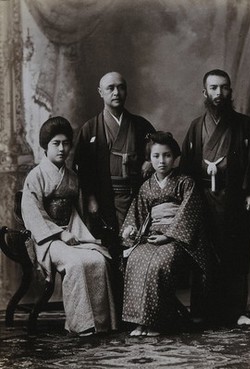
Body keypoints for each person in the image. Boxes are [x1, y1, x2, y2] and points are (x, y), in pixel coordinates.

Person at [179, 69, 250, 326]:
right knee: (203, 253)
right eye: (214, 88)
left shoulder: (243, 124)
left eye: (224, 87)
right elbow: (186, 167)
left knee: (236, 254)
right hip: (203, 198)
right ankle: (202, 310)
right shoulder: (196, 126)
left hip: (234, 198)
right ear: (204, 92)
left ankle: (237, 310)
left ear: (230, 91)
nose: (219, 93)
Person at [21, 116, 117, 336]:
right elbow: (32, 214)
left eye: (66, 143)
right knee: (74, 263)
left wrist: (75, 232)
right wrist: (59, 235)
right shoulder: (35, 176)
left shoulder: (72, 177)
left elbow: (78, 210)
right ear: (45, 145)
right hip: (47, 239)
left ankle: (102, 323)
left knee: (98, 260)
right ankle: (81, 324)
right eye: (56, 143)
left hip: (72, 232)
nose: (62, 148)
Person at [121, 131, 212, 336]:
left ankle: (156, 323)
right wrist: (132, 232)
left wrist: (168, 236)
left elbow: (190, 212)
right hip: (152, 235)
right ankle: (140, 322)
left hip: (177, 239)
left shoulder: (185, 182)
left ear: (175, 157)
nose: (162, 161)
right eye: (156, 156)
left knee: (159, 263)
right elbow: (138, 216)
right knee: (136, 258)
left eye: (167, 155)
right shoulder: (146, 187)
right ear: (149, 159)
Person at [73, 72, 155, 257]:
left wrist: (150, 161)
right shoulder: (90, 128)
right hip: (105, 197)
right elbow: (82, 169)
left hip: (136, 195)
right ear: (100, 92)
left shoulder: (140, 125)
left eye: (121, 87)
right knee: (110, 247)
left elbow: (160, 149)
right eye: (110, 88)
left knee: (137, 245)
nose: (116, 92)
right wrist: (91, 198)